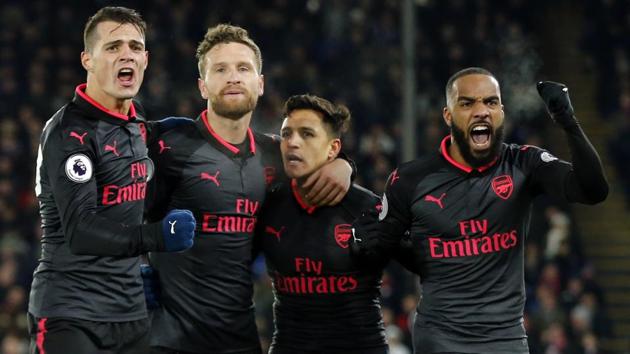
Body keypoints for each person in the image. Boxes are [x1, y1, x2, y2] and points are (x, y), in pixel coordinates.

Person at [351, 67, 608, 354]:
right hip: (441, 338)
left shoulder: (524, 164)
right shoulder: (410, 180)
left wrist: (568, 122)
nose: (481, 110)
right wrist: (360, 238)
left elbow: (593, 190)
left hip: (506, 339)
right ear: (448, 115)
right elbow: (377, 251)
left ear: (501, 111)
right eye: (467, 102)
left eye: (490, 102)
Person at [145, 25, 353, 354]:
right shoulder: (170, 147)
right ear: (202, 85)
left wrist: (344, 165)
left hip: (239, 340)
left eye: (243, 68)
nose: (233, 77)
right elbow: (126, 218)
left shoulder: (277, 155)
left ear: (260, 83)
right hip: (170, 342)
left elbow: (327, 158)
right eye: (221, 69)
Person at [27, 7, 196, 354]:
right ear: (87, 59)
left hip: (131, 316)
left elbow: (127, 145)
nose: (127, 55)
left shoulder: (135, 123)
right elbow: (81, 229)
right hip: (70, 315)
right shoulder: (68, 134)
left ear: (146, 59)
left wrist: (157, 131)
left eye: (135, 47)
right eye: (113, 46)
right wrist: (157, 237)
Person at [255, 94, 388, 354]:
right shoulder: (267, 205)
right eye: (286, 134)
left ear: (333, 148)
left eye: (306, 134)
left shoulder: (367, 207)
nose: (292, 142)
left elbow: (419, 266)